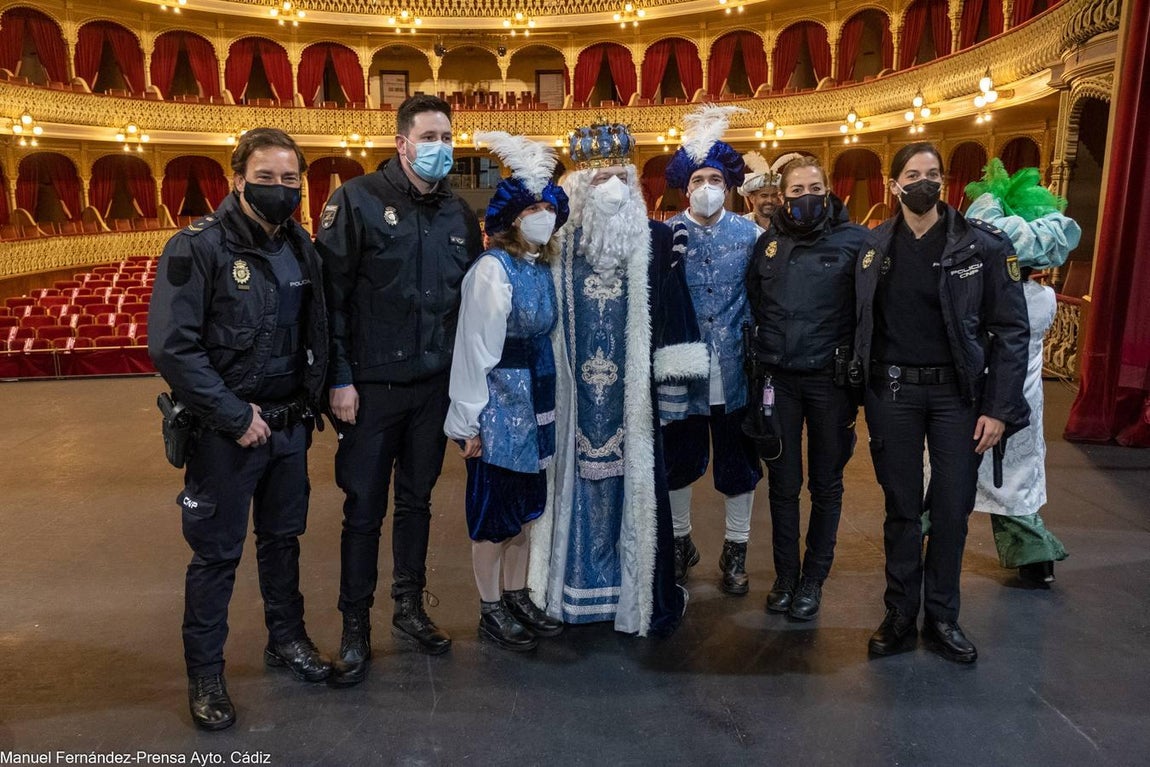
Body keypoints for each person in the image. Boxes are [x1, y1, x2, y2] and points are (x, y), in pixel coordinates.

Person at [148, 128, 331, 730]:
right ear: (237, 178)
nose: (279, 189)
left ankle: (286, 639)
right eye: (266, 177)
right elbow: (174, 348)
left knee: (283, 542)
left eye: (289, 179)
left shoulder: (301, 246)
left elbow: (316, 332)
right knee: (216, 558)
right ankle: (206, 676)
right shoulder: (195, 247)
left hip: (286, 430)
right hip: (226, 433)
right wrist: (234, 415)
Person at [316, 94, 483, 686]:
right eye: (430, 136)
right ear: (401, 142)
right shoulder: (356, 201)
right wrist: (338, 378)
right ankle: (354, 625)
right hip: (369, 387)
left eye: (448, 135)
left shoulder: (460, 216)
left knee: (417, 503)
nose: (442, 146)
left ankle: (409, 608)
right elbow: (328, 301)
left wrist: (468, 399)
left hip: (431, 388)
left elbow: (471, 315)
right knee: (363, 508)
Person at [526, 120, 709, 636]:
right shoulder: (554, 247)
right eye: (601, 177)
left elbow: (675, 315)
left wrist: (674, 400)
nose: (612, 188)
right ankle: (566, 594)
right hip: (571, 403)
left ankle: (636, 596)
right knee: (569, 481)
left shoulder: (655, 239)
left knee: (638, 490)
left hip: (635, 405)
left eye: (621, 178)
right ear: (581, 186)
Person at [855, 142, 1029, 664]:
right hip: (893, 393)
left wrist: (998, 408)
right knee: (902, 508)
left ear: (945, 182)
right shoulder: (872, 248)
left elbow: (1011, 331)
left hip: (959, 396)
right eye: (912, 174)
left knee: (952, 509)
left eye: (933, 173)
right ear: (894, 185)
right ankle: (901, 613)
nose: (923, 182)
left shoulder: (983, 247)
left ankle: (944, 617)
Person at [444, 131, 568, 651]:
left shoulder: (542, 266)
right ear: (513, 217)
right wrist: (466, 423)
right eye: (532, 207)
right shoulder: (492, 271)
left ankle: (517, 596)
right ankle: (490, 608)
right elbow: (474, 351)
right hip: (499, 404)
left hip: (537, 397)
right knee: (494, 517)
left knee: (524, 515)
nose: (542, 215)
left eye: (548, 206)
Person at [745, 155, 869, 620]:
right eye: (796, 191)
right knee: (783, 482)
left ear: (828, 189)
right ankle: (785, 577)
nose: (805, 197)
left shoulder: (856, 241)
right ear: (783, 195)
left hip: (829, 381)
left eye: (813, 188)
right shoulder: (769, 245)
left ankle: (813, 580)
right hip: (778, 379)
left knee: (826, 484)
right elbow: (757, 302)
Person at [662, 105, 764, 595]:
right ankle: (681, 544)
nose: (707, 186)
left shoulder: (751, 235)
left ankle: (736, 549)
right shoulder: (664, 235)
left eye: (715, 179)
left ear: (728, 185)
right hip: (680, 369)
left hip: (735, 369)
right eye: (698, 178)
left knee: (737, 464)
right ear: (686, 186)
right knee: (678, 461)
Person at [964, 158, 1080, 586]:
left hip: (986, 395)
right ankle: (1033, 558)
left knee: (949, 470)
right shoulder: (1043, 297)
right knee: (1014, 477)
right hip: (1020, 401)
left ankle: (925, 533)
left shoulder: (988, 296)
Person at [737, 151, 781, 231]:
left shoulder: (785, 224)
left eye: (774, 195)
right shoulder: (740, 225)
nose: (770, 200)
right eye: (764, 195)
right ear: (752, 198)